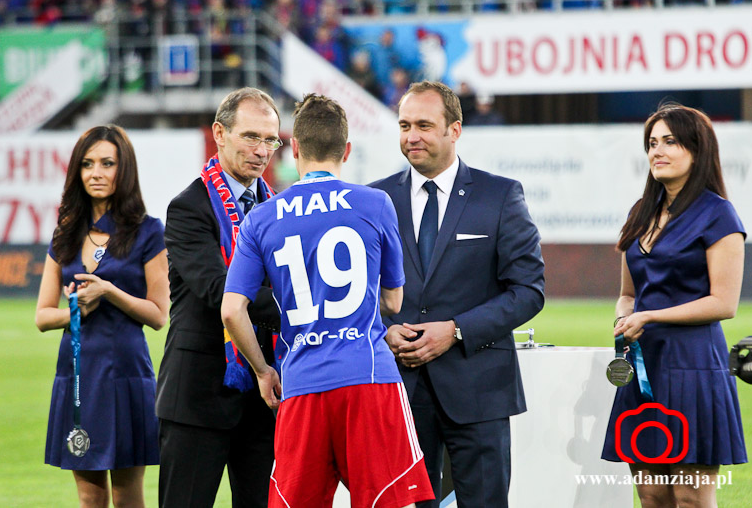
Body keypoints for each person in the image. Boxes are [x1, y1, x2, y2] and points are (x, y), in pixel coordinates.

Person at [221, 94, 435, 508]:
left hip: (301, 383)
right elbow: (393, 300)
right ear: (346, 150)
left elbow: (231, 310)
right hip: (368, 378)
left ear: (295, 148)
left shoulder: (261, 218)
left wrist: (263, 371)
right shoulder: (375, 203)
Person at [371, 81, 545, 507]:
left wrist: (456, 330)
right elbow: (359, 290)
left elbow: (528, 290)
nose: (412, 136)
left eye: (424, 125)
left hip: (479, 389)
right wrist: (384, 329)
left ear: (455, 130)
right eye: (405, 126)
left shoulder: (500, 195)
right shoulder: (375, 199)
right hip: (398, 387)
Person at [602, 103, 747, 508]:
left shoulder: (718, 214)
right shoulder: (640, 212)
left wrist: (649, 315)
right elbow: (628, 294)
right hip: (643, 365)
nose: (657, 151)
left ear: (697, 150)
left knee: (690, 499)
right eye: (652, 143)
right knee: (651, 496)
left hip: (694, 364)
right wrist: (625, 316)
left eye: (669, 141)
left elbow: (724, 303)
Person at [155, 87, 281, 507]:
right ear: (220, 134)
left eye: (270, 140)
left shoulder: (278, 209)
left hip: (265, 398)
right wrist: (299, 307)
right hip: (198, 396)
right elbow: (219, 289)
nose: (262, 151)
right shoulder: (189, 207)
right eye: (251, 136)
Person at [35, 125, 169, 507]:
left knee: (128, 497)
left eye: (107, 163)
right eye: (87, 164)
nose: (96, 173)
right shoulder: (65, 233)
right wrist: (74, 312)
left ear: (123, 169)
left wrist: (109, 291)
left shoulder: (148, 231)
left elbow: (159, 315)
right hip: (78, 375)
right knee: (90, 497)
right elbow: (42, 316)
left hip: (126, 372)